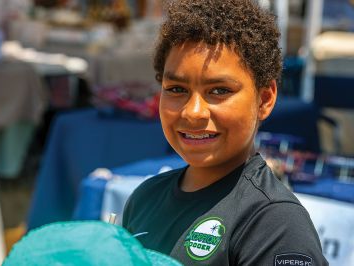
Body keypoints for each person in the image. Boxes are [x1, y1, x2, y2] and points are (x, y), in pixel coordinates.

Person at [122, 0, 328, 265]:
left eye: (219, 91)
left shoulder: (274, 222)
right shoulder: (145, 198)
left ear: (264, 99)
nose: (193, 112)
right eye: (176, 89)